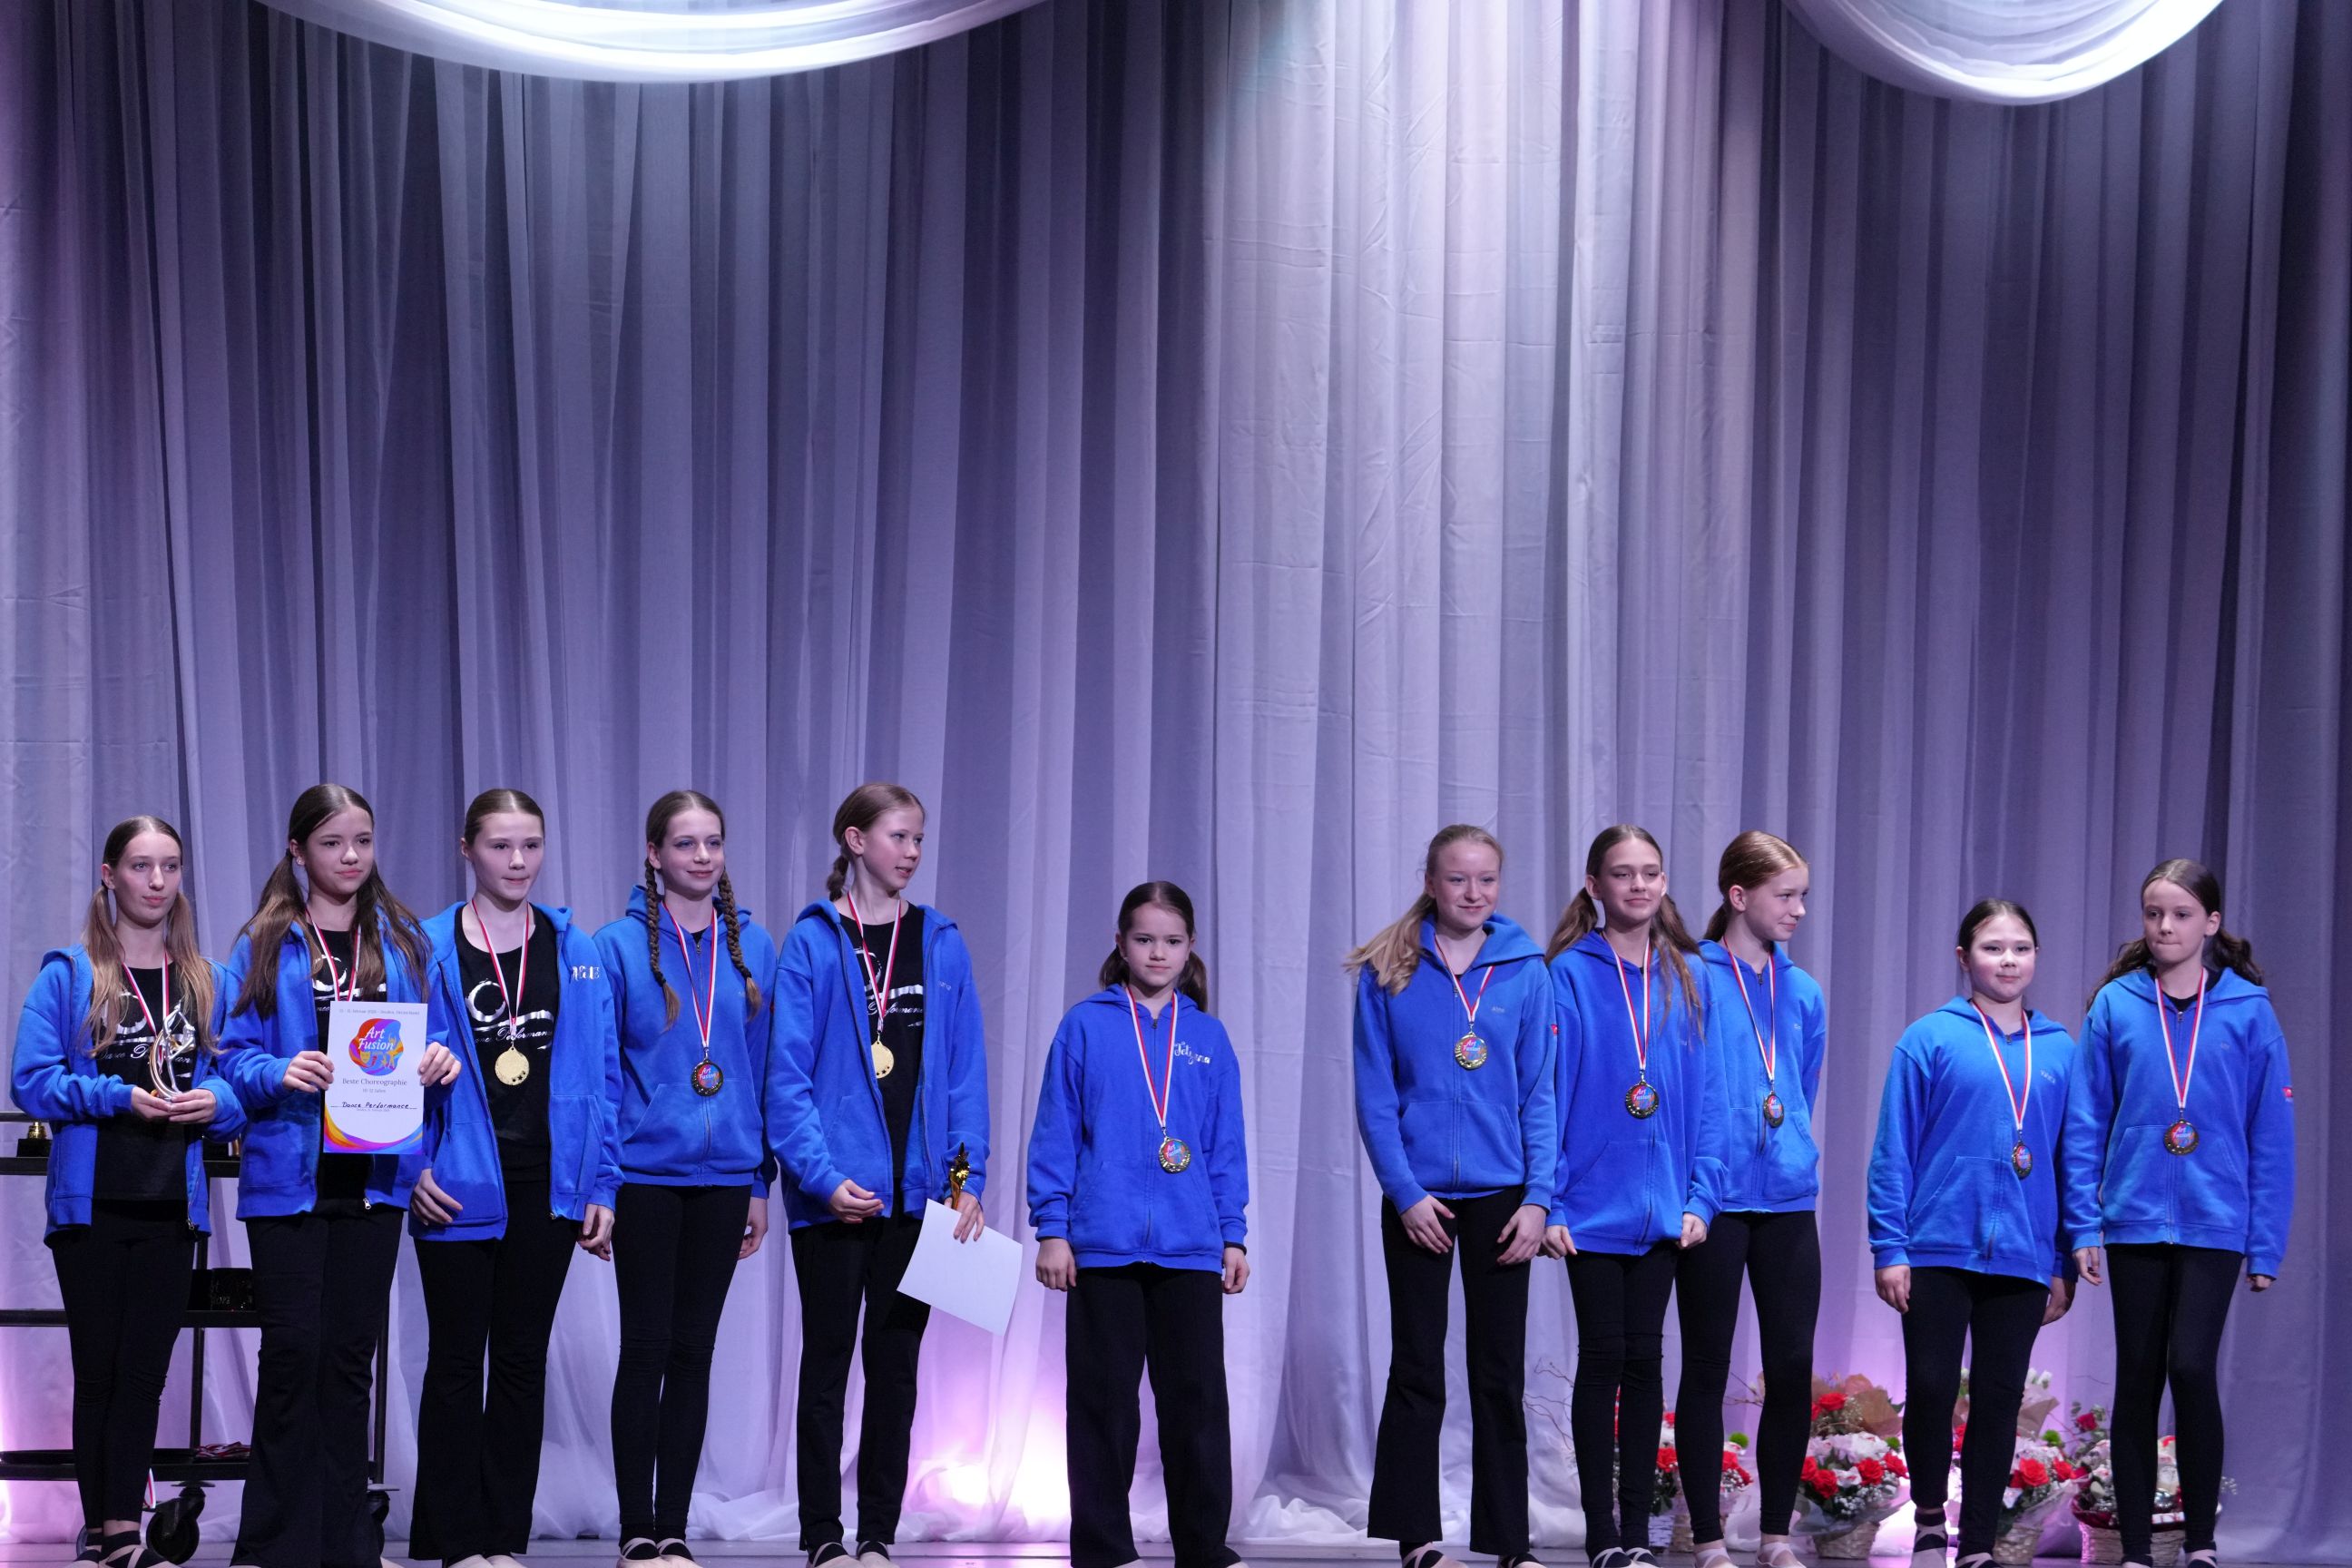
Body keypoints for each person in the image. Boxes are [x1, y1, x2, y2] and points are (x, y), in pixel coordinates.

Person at [213, 783, 457, 1568]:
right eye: (331, 843)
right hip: (289, 1178)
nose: (350, 857)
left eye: (362, 841)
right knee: (292, 1354)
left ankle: (349, 1544)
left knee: (351, 1362)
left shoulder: (402, 941)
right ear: (297, 851)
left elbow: (436, 1044)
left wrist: (439, 1063)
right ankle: (277, 1544)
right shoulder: (265, 942)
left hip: (374, 1179)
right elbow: (231, 1056)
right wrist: (278, 1071)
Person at [10, 817, 245, 1568]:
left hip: (172, 1205)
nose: (157, 881)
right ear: (109, 875)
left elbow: (237, 1082)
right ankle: (105, 1531)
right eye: (141, 866)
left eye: (169, 866)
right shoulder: (69, 974)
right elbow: (30, 1080)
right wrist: (118, 1098)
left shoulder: (206, 978)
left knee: (144, 1377)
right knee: (99, 1373)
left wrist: (215, 1103)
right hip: (93, 1205)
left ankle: (120, 1534)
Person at [769, 782, 990, 1568]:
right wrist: (822, 1177)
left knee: (896, 1370)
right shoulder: (812, 941)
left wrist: (962, 1180)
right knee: (827, 1365)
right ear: (856, 840)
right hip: (836, 1199)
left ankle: (876, 1536)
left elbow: (964, 1076)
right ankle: (822, 1534)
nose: (913, 852)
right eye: (900, 836)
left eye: (920, 838)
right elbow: (786, 1080)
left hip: (918, 1200)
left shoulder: (941, 941)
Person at [405, 789, 623, 1568]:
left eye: (531, 845)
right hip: (456, 1178)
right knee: (457, 1359)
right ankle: (454, 1540)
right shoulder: (423, 946)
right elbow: (386, 1064)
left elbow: (604, 1076)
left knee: (523, 1361)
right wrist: (410, 1167)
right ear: (466, 849)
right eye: (500, 846)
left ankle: (504, 1539)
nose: (519, 861)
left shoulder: (576, 947)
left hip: (548, 1183)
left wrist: (602, 1184)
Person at [2062, 860, 2294, 1568]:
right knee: (2138, 1374)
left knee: (2191, 1367)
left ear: (2211, 924)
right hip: (2132, 1218)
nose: (2165, 927)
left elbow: (2271, 1136)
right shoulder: (2116, 1004)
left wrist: (2265, 1245)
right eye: (2154, 913)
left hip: (2215, 1223)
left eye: (2182, 914)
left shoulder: (2249, 1011)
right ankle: (2135, 1548)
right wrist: (2084, 1225)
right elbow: (2085, 1121)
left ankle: (2200, 1543)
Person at [1349, 825, 1556, 1568]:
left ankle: (1509, 1543)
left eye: (1486, 879)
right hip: (1420, 1199)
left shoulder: (1527, 969)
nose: (1474, 893)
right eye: (1459, 879)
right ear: (1431, 883)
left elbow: (1540, 1092)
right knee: (1417, 1365)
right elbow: (1375, 1095)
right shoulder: (1390, 969)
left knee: (1499, 1371)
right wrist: (1403, 1192)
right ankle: (1418, 1538)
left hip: (1503, 1196)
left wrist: (1538, 1199)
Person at [1030, 881, 1251, 1568]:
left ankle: (1203, 1547)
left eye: (1172, 941)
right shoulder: (1085, 1026)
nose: (1159, 952)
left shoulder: (1208, 1037)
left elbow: (1224, 1145)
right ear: (1121, 944)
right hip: (1103, 1247)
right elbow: (1056, 1134)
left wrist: (1232, 1233)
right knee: (1104, 1406)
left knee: (1197, 1405)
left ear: (1190, 948)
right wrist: (1053, 1228)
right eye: (1145, 939)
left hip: (1191, 1247)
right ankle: (1104, 1550)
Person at [593, 789, 779, 1568]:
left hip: (727, 1175)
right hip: (645, 1175)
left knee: (694, 1353)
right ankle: (636, 1529)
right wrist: (601, 1186)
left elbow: (763, 1070)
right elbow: (602, 1075)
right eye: (685, 844)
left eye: (713, 843)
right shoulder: (615, 947)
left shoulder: (754, 947)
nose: (702, 857)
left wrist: (761, 1182)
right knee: (646, 1348)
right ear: (654, 854)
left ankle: (673, 1528)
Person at [1867, 898, 2076, 1568]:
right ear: (1964, 958)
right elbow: (1894, 1150)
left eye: (2020, 948)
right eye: (1992, 948)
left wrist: (2063, 1258)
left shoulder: (2061, 1050)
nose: (2007, 960)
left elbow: (2073, 1159)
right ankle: (1930, 1516)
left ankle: (1978, 1543)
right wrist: (1890, 1246)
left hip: (2023, 1253)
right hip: (1937, 1245)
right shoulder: (1929, 1038)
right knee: (1931, 1387)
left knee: (1999, 1398)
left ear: (2036, 957)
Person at [1542, 824, 1718, 1568]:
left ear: (1665, 882)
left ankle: (1639, 1535)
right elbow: (1548, 1095)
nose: (1638, 885)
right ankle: (1601, 1535)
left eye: (1650, 872)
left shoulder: (1689, 975)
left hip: (1666, 1214)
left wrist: (1701, 1199)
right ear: (1595, 886)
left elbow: (1710, 1099)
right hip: (1589, 1211)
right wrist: (1549, 1203)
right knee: (1603, 1358)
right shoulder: (1569, 974)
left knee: (1648, 1363)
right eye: (1622, 873)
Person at [1679, 832, 1826, 1568]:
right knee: (1706, 1366)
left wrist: (1787, 1143)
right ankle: (1707, 1538)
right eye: (1785, 895)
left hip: (1788, 1202)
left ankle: (1774, 1536)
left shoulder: (1804, 992)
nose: (1798, 909)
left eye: (1803, 896)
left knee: (1791, 1368)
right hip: (1717, 1200)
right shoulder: (1692, 978)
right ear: (1738, 896)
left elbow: (1801, 1084)